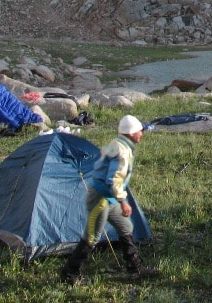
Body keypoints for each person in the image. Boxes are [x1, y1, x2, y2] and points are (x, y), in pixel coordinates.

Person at [61, 115, 157, 284]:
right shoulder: (123, 152)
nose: (142, 133)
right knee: (92, 236)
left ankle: (135, 268)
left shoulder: (117, 143)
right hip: (101, 199)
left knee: (126, 227)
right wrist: (124, 202)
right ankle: (70, 274)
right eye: (139, 131)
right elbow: (113, 180)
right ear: (131, 133)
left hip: (108, 198)